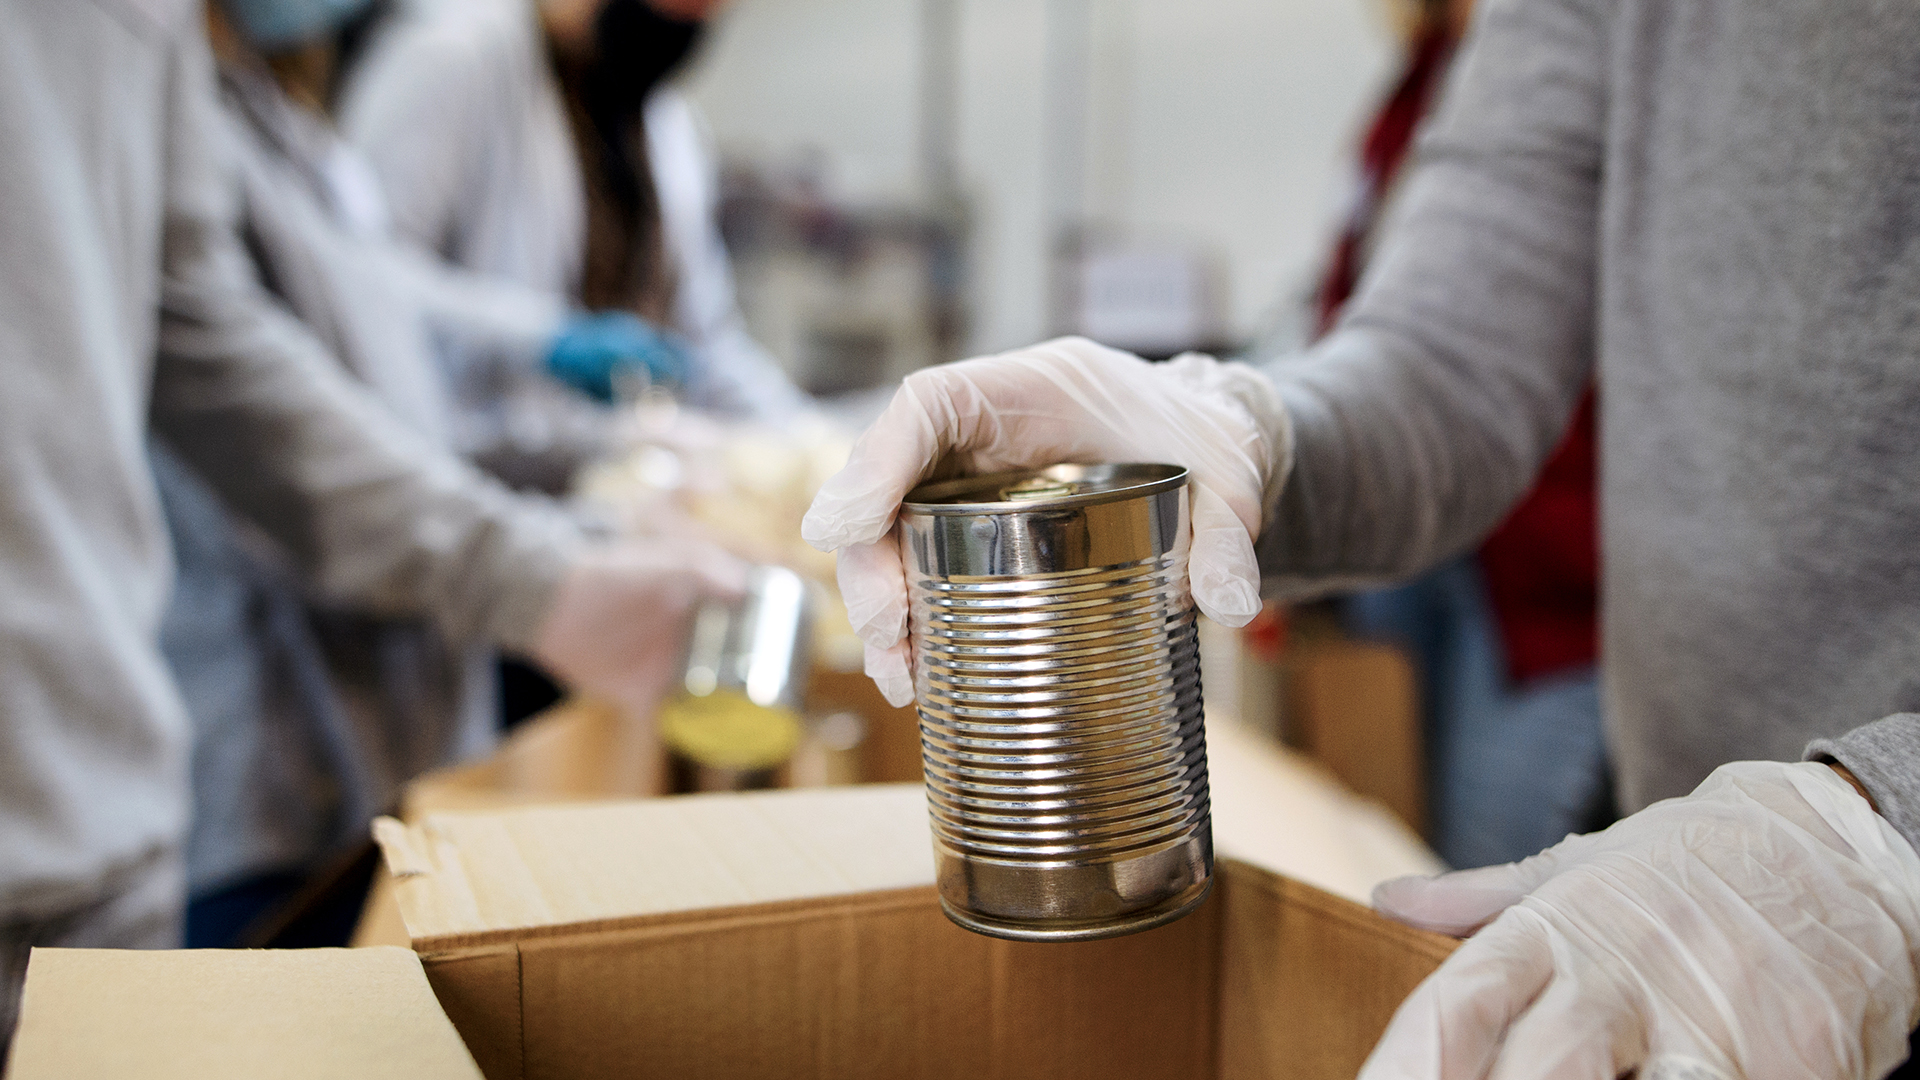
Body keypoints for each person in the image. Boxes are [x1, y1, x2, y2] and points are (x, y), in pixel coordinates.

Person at [803, 0, 1920, 1075]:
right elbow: (1452, 369)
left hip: (1823, 879)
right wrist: (1247, 429)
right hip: (1705, 904)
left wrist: (1877, 829)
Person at [0, 0, 738, 1054]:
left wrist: (536, 575)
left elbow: (217, 343)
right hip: (225, 731)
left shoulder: (176, 52)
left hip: (113, 801)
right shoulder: (454, 59)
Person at [337, 0, 810, 424]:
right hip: (451, 454)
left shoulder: (665, 120)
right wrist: (541, 339)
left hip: (597, 475)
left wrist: (811, 441)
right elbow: (360, 279)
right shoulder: (454, 53)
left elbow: (706, 347)